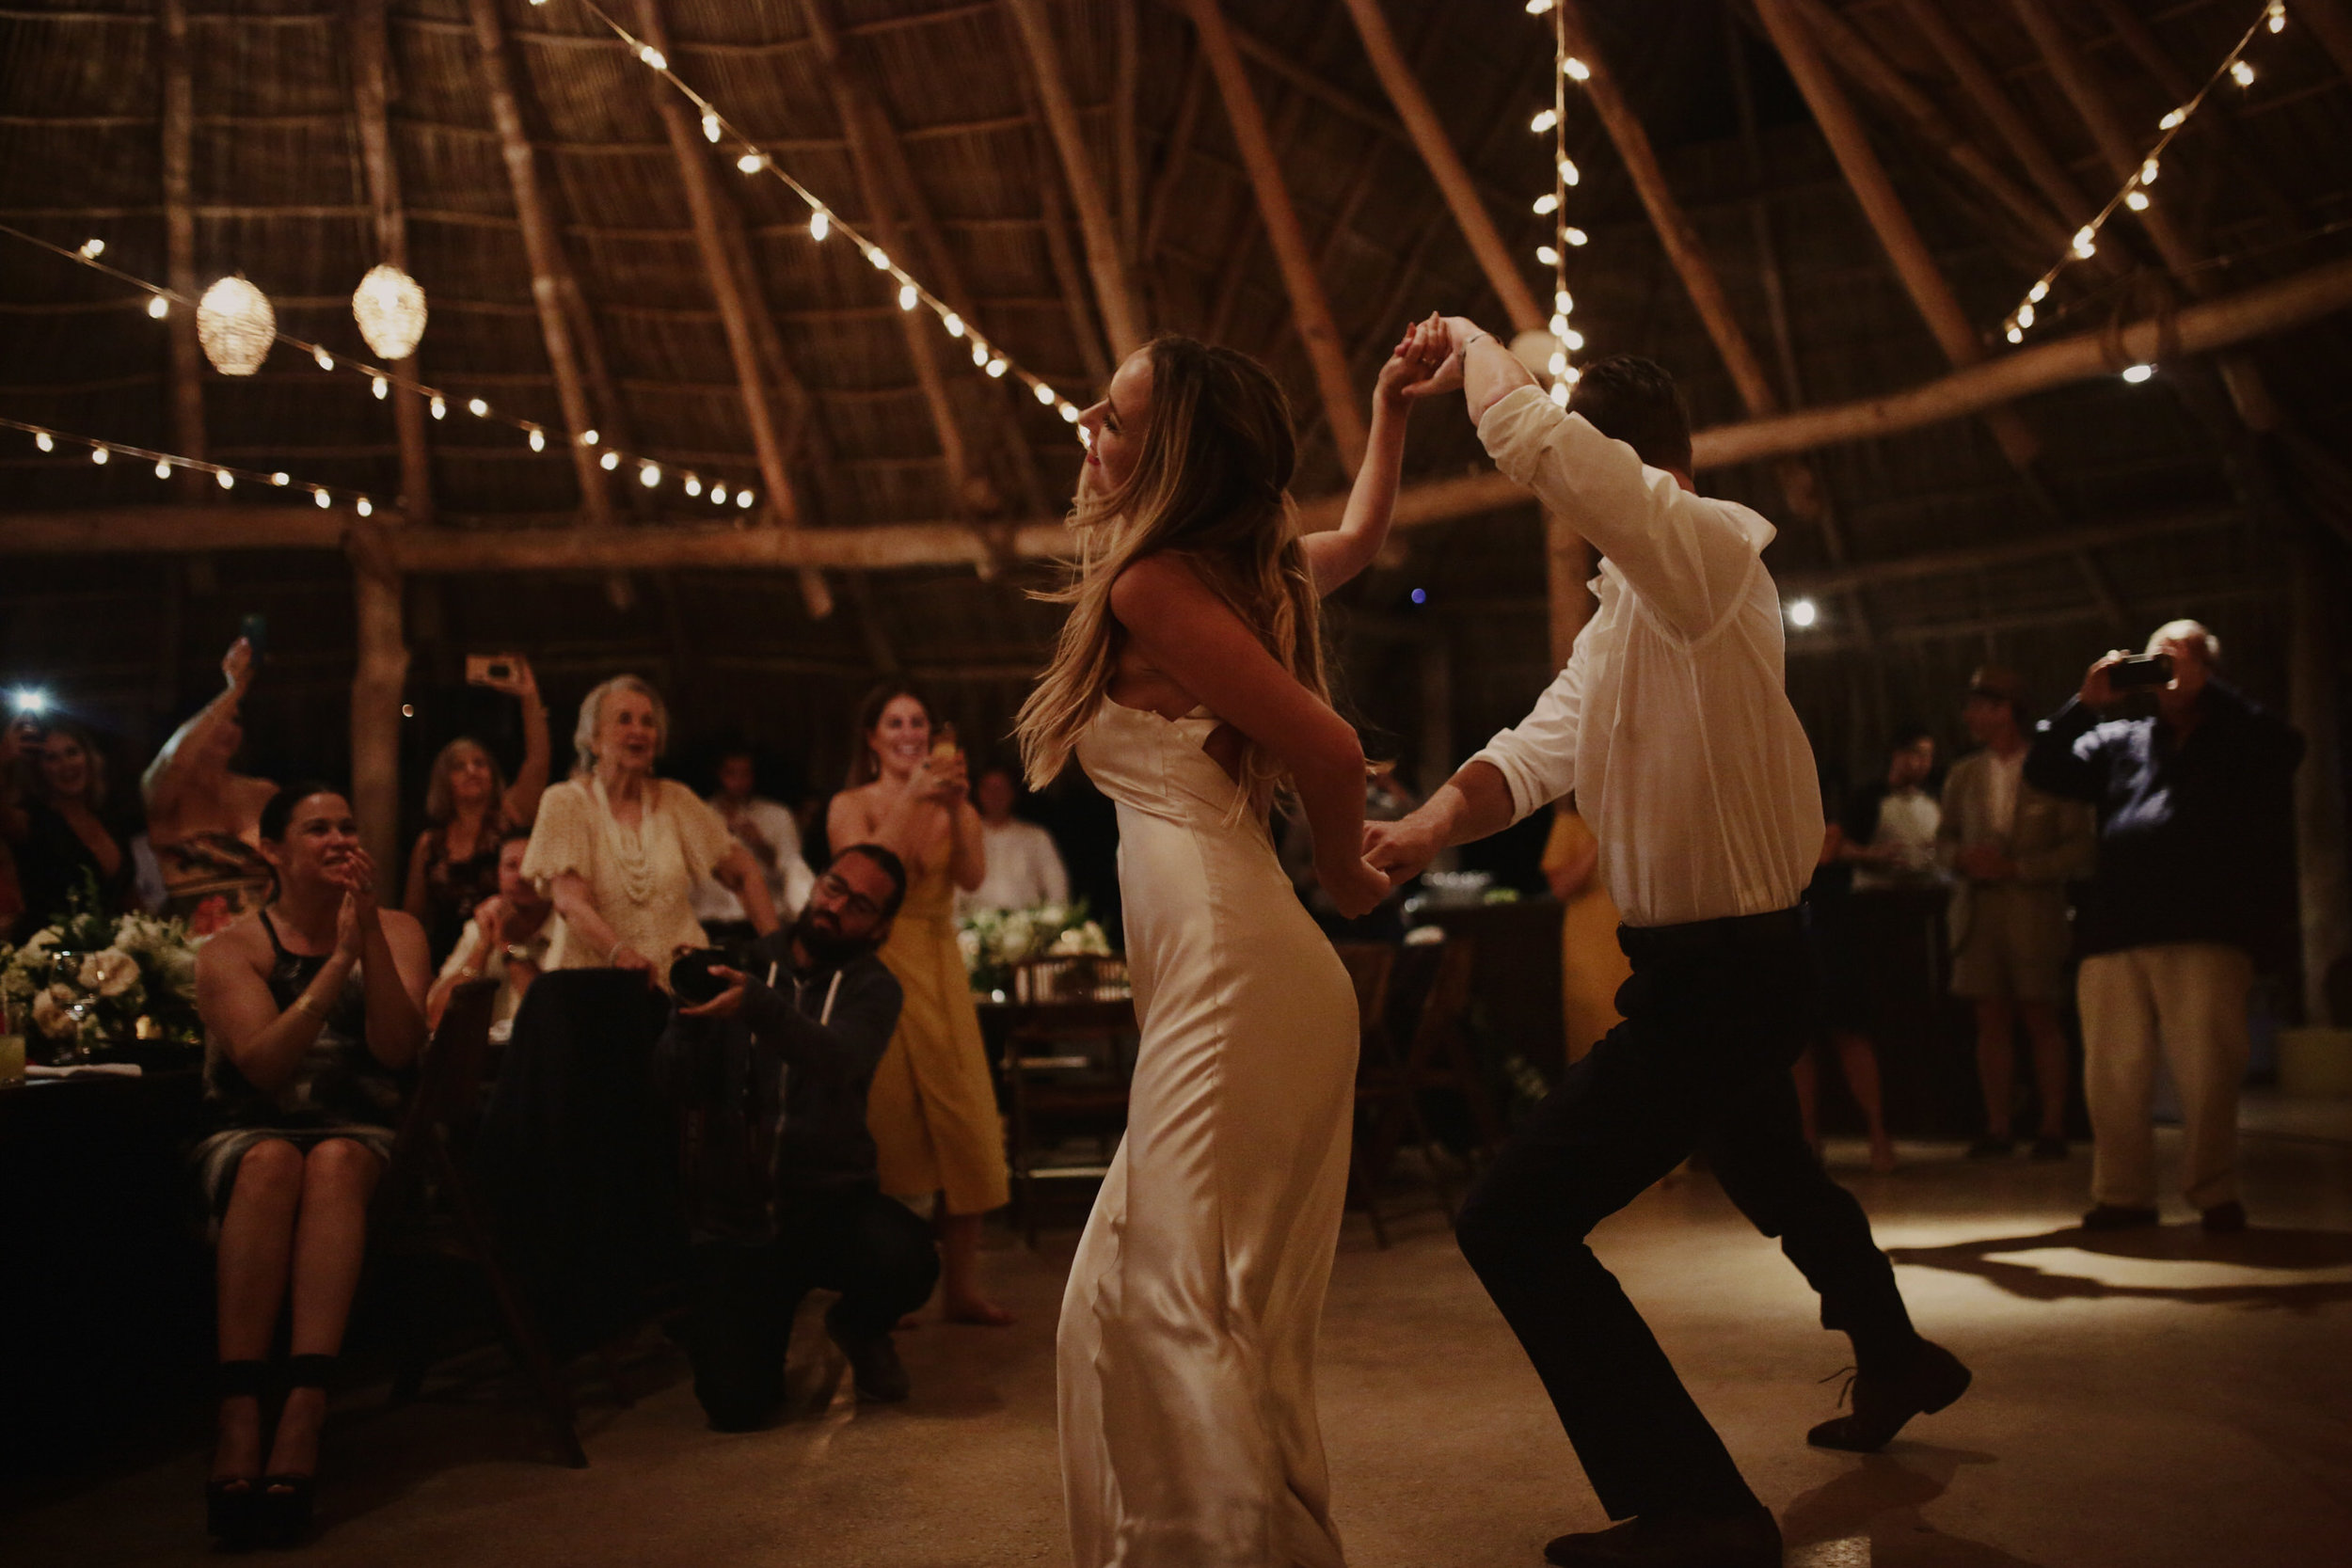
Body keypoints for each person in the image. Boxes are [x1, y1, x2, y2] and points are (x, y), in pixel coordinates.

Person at [1366, 329, 1966, 1568]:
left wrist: (1482, 347)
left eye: (1592, 477)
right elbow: (1539, 750)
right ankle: (1895, 1347)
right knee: (1770, 1165)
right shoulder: (1630, 611)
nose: (1572, 512)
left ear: (1632, 469)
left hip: (1729, 972)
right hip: (1715, 968)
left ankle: (1700, 1506)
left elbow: (1544, 447)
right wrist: (1422, 828)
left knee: (1510, 1218)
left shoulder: (1702, 556)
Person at [1024, 320, 1431, 1568]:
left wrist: (1351, 867)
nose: (1087, 426)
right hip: (1236, 968)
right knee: (1138, 1305)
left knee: (1161, 1315)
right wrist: (1390, 413)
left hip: (1235, 969)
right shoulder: (1223, 578)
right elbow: (1357, 539)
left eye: (1118, 418)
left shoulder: (1159, 587)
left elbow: (1335, 748)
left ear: (1179, 455)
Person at [189, 784, 431, 1545]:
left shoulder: (400, 928)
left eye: (347, 827)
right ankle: (238, 1410)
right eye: (316, 827)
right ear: (274, 850)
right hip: (246, 1130)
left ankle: (303, 1409)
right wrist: (339, 963)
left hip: (360, 1134)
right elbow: (262, 1067)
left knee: (328, 1159)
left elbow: (398, 1050)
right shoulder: (231, 947)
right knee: (268, 1161)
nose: (337, 839)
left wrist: (372, 947)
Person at [2025, 621, 2303, 1232]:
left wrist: (2213, 694)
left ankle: (2214, 1188)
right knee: (2113, 1072)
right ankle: (2124, 1195)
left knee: (2209, 1070)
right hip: (2115, 927)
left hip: (2206, 924)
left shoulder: (2236, 734)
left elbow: (2289, 748)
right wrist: (2085, 703)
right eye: (2158, 658)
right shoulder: (2120, 738)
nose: (2167, 669)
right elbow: (2043, 771)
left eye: (2182, 658)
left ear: (2210, 668)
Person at [656, 844, 940, 1428]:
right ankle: (739, 1322)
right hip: (740, 1221)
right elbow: (667, 1086)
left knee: (906, 1257)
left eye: (859, 905)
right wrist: (684, 1027)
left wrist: (760, 1007)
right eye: (834, 887)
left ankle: (859, 1327)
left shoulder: (873, 987)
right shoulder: (742, 962)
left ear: (879, 927)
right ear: (817, 884)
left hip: (829, 1208)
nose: (836, 906)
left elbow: (836, 1059)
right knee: (735, 1406)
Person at [828, 684, 1011, 1324]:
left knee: (967, 1125)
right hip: (880, 967)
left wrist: (958, 807)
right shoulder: (849, 804)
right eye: (896, 722)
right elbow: (866, 872)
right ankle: (889, 1279)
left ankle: (962, 1288)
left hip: (941, 963)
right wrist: (914, 793)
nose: (910, 731)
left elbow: (972, 877)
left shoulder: (947, 801)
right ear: (873, 738)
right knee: (893, 1123)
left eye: (918, 722)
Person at [520, 675, 777, 983]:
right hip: (595, 985)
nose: (639, 731)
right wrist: (622, 956)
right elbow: (570, 902)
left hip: (679, 987)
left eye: (648, 722)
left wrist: (776, 956)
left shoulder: (677, 800)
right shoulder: (565, 802)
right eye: (624, 720)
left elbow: (744, 871)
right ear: (594, 738)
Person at [1939, 668, 2095, 1160]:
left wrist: (2018, 868)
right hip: (1977, 912)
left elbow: (2081, 849)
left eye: (1978, 705)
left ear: (2005, 710)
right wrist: (1962, 858)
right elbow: (1942, 840)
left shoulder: (2050, 767)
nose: (1968, 715)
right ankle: (1998, 1126)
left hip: (2036, 913)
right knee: (1990, 1019)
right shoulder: (1963, 773)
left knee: (2041, 1017)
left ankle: (2052, 1127)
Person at [1804, 727, 1945, 1175]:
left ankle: (1875, 1136)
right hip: (1810, 923)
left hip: (1845, 925)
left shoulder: (1902, 799)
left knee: (1846, 1032)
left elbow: (1829, 852)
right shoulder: (1862, 798)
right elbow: (1829, 852)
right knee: (1806, 1038)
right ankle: (1814, 1141)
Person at [401, 657, 550, 965]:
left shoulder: (511, 814)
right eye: (459, 767)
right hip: (449, 957)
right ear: (445, 781)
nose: (471, 771)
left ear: (493, 774)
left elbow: (537, 760)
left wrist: (529, 696)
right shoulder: (430, 844)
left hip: (508, 950)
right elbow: (412, 917)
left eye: (480, 763)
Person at [143, 636, 278, 936]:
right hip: (190, 945)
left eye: (237, 720)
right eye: (219, 718)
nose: (229, 729)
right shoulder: (162, 790)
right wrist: (235, 690)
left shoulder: (263, 791)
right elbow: (175, 759)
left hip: (264, 936)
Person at [2, 718, 133, 938]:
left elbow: (128, 896)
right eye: (52, 758)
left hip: (114, 958)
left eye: (72, 752)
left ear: (88, 757)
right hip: (51, 958)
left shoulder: (109, 818)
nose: (66, 765)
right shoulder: (30, 822)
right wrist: (3, 761)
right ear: (39, 769)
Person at [425, 832, 555, 1030]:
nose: (521, 875)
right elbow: (437, 1019)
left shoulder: (567, 932)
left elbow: (549, 1018)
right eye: (512, 866)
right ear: (498, 875)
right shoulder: (478, 929)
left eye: (531, 864)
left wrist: (509, 945)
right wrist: (482, 948)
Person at [690, 744, 816, 943]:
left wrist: (761, 845)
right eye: (730, 774)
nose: (738, 782)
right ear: (717, 775)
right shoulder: (696, 816)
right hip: (709, 924)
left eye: (745, 774)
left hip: (762, 927)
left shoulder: (777, 816)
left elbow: (794, 876)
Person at [1541, 803, 1630, 1066]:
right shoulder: (1570, 822)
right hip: (1592, 944)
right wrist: (1601, 840)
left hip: (1630, 940)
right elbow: (1561, 887)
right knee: (1597, 1027)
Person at [952, 764, 1072, 918]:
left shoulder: (1036, 837)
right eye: (989, 789)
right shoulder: (964, 837)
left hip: (1027, 929)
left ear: (1012, 793)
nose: (995, 796)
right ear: (978, 793)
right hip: (975, 929)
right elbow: (953, 891)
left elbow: (1057, 888)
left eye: (1001, 789)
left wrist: (1053, 924)